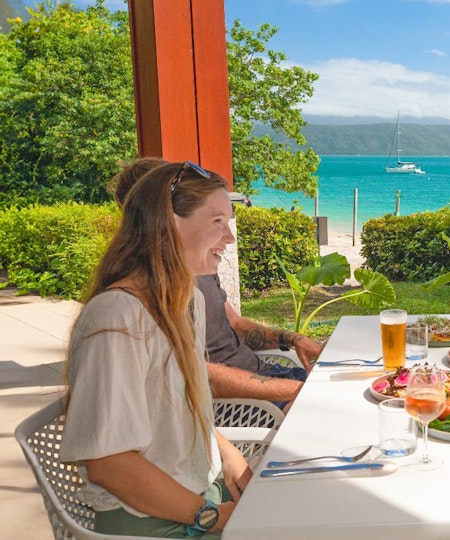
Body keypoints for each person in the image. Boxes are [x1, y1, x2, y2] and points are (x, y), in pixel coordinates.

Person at [61, 160, 251, 537]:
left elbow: (174, 409)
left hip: (198, 497)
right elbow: (109, 463)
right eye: (217, 222)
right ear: (166, 224)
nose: (229, 238)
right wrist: (208, 516)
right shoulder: (116, 319)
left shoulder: (182, 301)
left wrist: (223, 452)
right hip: (155, 521)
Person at [109, 157, 323, 406]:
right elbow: (193, 374)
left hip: (266, 378)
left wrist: (292, 339)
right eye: (215, 220)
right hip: (239, 404)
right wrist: (292, 391)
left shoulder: (198, 266)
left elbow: (232, 322)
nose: (229, 237)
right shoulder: (140, 292)